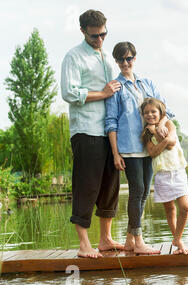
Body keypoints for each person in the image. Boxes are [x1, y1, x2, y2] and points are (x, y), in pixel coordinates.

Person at [61, 9, 124, 258]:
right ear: (83, 32)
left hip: (109, 130)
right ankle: (84, 244)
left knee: (110, 183)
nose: (100, 40)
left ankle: (106, 239)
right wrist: (103, 93)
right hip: (86, 129)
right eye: (94, 36)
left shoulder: (106, 56)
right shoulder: (73, 57)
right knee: (87, 185)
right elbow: (69, 93)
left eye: (103, 34)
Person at [105, 42, 176, 254]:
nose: (125, 63)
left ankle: (129, 241)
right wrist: (115, 153)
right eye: (120, 59)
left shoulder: (147, 84)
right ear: (116, 61)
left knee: (144, 192)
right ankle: (139, 242)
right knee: (137, 192)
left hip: (149, 147)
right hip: (129, 148)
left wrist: (161, 125)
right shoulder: (116, 88)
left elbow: (164, 109)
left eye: (128, 59)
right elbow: (111, 122)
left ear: (134, 59)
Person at [141, 98, 188, 255]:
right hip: (162, 175)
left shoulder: (169, 125)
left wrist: (156, 132)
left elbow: (171, 143)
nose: (150, 115)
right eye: (146, 112)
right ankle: (178, 242)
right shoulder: (145, 134)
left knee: (185, 207)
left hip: (178, 171)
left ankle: (177, 237)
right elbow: (153, 153)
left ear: (161, 112)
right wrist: (157, 137)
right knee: (170, 209)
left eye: (153, 111)